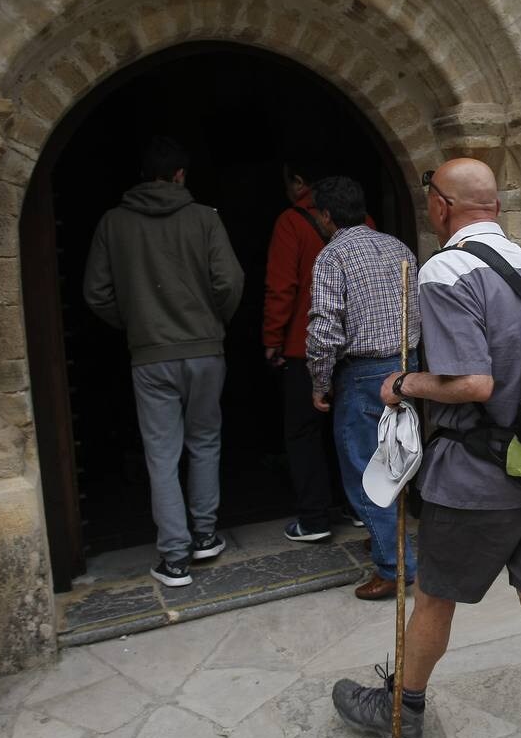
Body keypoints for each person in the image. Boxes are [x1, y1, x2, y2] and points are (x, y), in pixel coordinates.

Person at [330, 159, 521, 738]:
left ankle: (401, 708)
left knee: (432, 596)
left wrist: (403, 385)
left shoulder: (446, 268)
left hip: (478, 475)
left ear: (439, 206)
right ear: (497, 208)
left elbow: (472, 382)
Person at [83, 136, 244, 588]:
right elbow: (228, 281)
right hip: (205, 350)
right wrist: (213, 322)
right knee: (206, 442)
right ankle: (206, 534)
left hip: (150, 357)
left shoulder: (113, 223)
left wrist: (138, 324)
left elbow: (96, 293)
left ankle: (174, 559)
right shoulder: (204, 219)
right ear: (180, 175)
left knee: (161, 455)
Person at [306, 176, 420, 600]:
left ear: (326, 215)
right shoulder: (398, 247)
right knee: (398, 460)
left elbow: (324, 330)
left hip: (364, 374)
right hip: (408, 368)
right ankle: (388, 539)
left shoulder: (332, 256)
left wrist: (319, 382)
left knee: (364, 471)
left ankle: (393, 567)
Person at [262, 161, 348, 542]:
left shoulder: (291, 222)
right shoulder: (362, 221)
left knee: (304, 432)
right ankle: (357, 505)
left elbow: (282, 287)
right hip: (353, 345)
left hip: (304, 345)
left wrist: (272, 338)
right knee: (350, 428)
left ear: (299, 180)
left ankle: (314, 518)